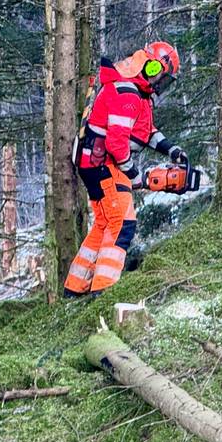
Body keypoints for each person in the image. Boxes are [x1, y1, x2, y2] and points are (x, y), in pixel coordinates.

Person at [64, 41, 186, 297]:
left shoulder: (136, 94)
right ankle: (104, 291)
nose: (160, 84)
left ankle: (74, 289)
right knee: (123, 224)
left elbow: (145, 132)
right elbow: (117, 143)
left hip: (95, 164)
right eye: (161, 77)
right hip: (105, 164)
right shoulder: (128, 94)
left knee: (104, 223)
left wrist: (171, 149)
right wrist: (134, 175)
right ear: (152, 68)